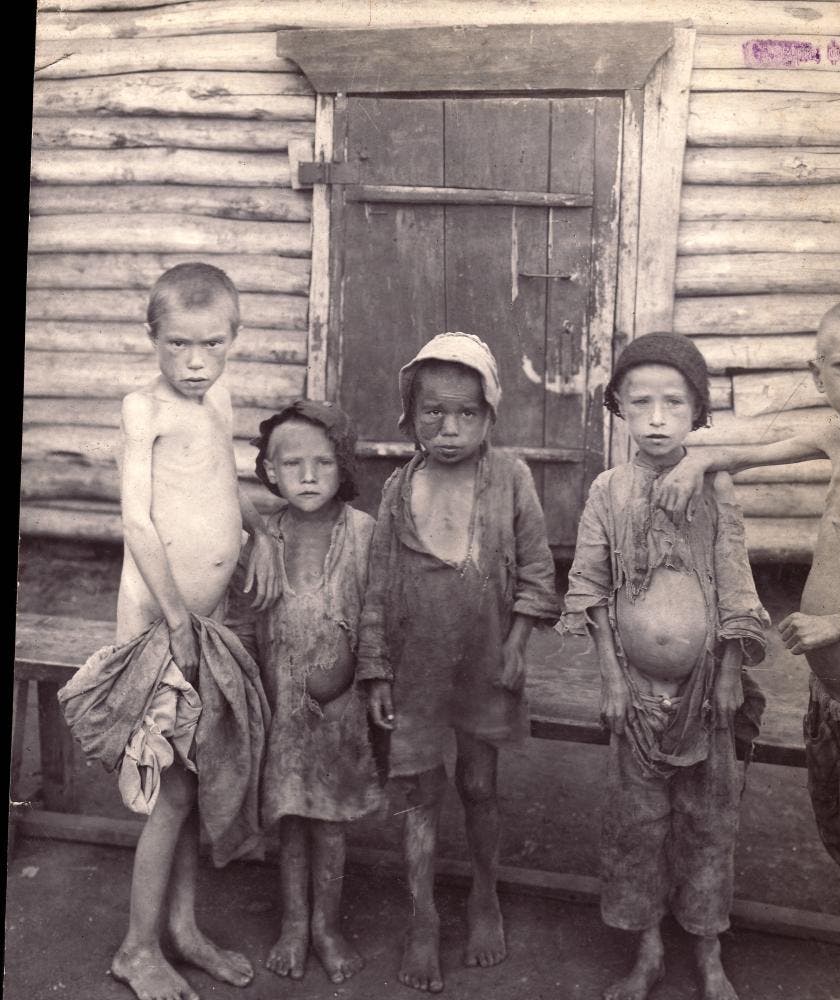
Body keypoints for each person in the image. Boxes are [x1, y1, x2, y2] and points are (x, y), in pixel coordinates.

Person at [658, 297, 840, 1000]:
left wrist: (833, 625)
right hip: (831, 702)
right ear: (817, 375)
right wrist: (695, 466)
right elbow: (752, 453)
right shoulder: (839, 439)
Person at [73, 262, 280, 1000]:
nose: (195, 364)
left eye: (212, 345)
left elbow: (220, 481)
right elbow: (138, 522)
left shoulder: (217, 398)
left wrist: (257, 530)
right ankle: (137, 948)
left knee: (191, 782)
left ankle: (184, 930)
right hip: (161, 630)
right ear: (152, 338)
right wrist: (174, 619)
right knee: (171, 792)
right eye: (179, 347)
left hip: (207, 623)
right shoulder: (144, 409)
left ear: (234, 338)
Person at [560, 332, 769, 1000]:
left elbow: (736, 583)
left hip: (709, 694)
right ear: (617, 406)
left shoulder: (714, 487)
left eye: (673, 403)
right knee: (637, 825)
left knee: (709, 824)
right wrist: (614, 679)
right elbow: (590, 587)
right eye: (640, 401)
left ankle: (709, 953)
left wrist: (732, 670)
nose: (656, 417)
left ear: (696, 414)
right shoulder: (608, 491)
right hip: (639, 696)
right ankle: (646, 951)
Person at [357, 332, 560, 993]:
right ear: (409, 414)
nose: (448, 429)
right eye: (432, 413)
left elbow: (536, 572)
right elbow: (376, 586)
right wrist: (376, 669)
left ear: (490, 414)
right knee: (416, 792)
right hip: (413, 668)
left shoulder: (511, 479)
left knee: (478, 785)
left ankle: (483, 895)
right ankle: (423, 916)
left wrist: (517, 644)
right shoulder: (397, 487)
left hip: (484, 662)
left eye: (466, 414)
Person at [225, 400, 385, 985]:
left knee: (332, 823)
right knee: (290, 819)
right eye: (293, 465)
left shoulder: (365, 534)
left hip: (340, 719)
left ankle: (327, 927)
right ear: (269, 471)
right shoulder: (263, 538)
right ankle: (294, 924)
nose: (310, 477)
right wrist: (244, 690)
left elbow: (377, 617)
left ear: (344, 466)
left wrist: (375, 682)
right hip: (282, 714)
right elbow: (242, 619)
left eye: (324, 462)